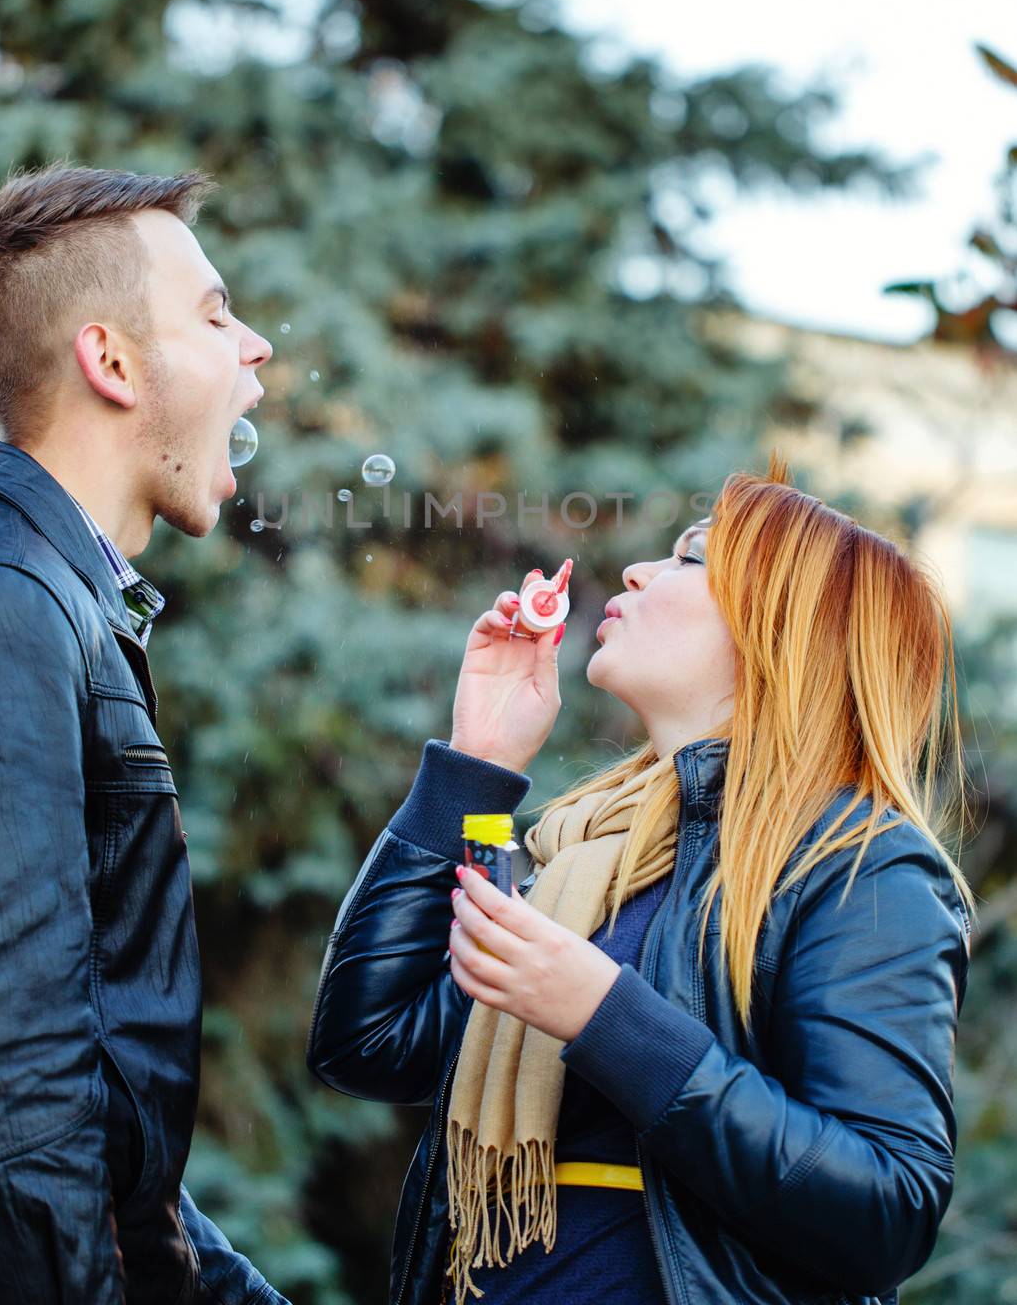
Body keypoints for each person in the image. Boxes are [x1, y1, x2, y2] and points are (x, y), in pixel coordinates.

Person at [307, 457, 974, 1305]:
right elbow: (370, 1043)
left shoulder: (862, 865)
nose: (635, 570)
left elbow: (889, 1208)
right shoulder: (589, 854)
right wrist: (476, 768)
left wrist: (604, 1015)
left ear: (778, 629)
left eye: (689, 559)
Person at [0, 163, 288, 1304]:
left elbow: (104, 1096)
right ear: (111, 361)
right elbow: (7, 1096)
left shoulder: (48, 592)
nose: (254, 349)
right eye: (212, 313)